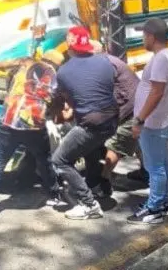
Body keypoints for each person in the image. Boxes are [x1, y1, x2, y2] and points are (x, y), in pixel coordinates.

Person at [0, 49, 66, 221]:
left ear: (43, 58)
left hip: (8, 122)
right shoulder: (57, 77)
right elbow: (56, 107)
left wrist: (18, 61)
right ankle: (54, 194)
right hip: (34, 126)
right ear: (58, 64)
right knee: (44, 159)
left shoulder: (26, 63)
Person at [51, 26, 119, 220]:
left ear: (69, 47)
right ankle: (94, 185)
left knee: (60, 160)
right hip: (112, 120)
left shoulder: (63, 72)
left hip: (91, 124)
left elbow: (69, 102)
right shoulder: (105, 63)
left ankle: (89, 204)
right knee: (89, 151)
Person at [128, 17, 168, 225]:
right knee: (162, 162)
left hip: (153, 123)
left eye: (144, 35)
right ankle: (163, 199)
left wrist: (139, 119)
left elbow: (157, 92)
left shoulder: (160, 59)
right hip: (162, 119)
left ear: (151, 36)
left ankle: (155, 208)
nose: (143, 39)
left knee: (155, 167)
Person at [99, 46, 142, 199]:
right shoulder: (110, 60)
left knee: (116, 144)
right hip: (138, 105)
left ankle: (104, 180)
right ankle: (146, 172)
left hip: (131, 109)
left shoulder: (105, 65)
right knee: (138, 142)